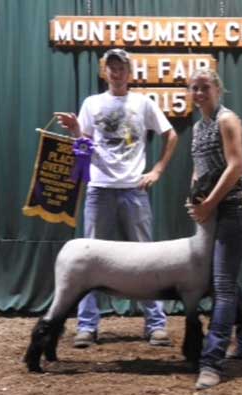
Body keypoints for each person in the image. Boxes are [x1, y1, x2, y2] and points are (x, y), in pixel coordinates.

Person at [55, 48, 178, 348]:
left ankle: (156, 324)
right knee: (89, 260)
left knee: (147, 257)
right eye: (111, 66)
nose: (116, 71)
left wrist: (158, 170)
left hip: (134, 189)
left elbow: (170, 135)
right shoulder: (92, 103)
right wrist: (75, 130)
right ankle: (87, 326)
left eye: (120, 66)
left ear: (129, 71)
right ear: (104, 71)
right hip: (99, 188)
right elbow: (83, 144)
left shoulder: (143, 102)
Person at [185, 69, 242, 390]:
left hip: (238, 207)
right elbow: (199, 168)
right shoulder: (197, 128)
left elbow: (236, 166)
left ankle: (211, 362)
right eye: (194, 88)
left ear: (218, 89)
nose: (200, 92)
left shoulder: (227, 120)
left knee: (221, 284)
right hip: (216, 210)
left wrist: (208, 204)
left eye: (205, 87)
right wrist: (194, 199)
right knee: (223, 279)